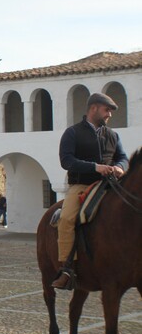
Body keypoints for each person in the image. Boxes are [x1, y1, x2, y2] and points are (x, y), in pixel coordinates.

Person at [52, 92, 128, 289]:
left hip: (110, 185)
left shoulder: (113, 135)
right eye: (107, 110)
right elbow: (66, 161)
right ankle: (67, 268)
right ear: (93, 108)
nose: (109, 114)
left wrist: (120, 167)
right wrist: (95, 167)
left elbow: (123, 157)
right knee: (67, 218)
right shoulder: (73, 133)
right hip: (82, 185)